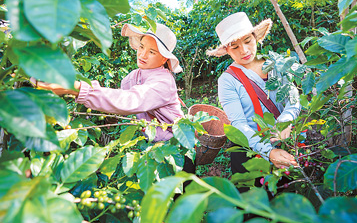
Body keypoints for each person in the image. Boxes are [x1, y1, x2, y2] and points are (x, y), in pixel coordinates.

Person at [33, 23, 184, 143]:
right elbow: (117, 96)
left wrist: (76, 88)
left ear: (164, 59)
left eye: (152, 52)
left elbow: (131, 100)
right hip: (150, 142)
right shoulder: (133, 76)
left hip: (176, 145)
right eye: (142, 47)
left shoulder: (164, 82)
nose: (143, 54)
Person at [207, 12, 301, 182]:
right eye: (234, 47)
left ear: (255, 38)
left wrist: (285, 121)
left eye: (248, 41)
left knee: (285, 200)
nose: (244, 50)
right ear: (226, 50)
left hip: (284, 144)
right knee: (253, 203)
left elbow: (293, 98)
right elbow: (239, 124)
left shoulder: (276, 64)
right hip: (249, 151)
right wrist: (269, 151)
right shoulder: (228, 80)